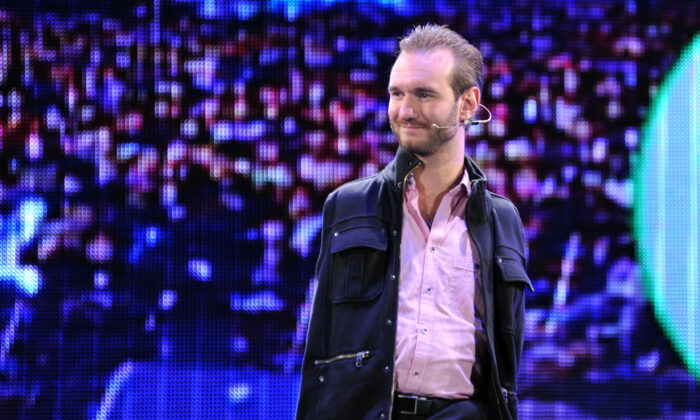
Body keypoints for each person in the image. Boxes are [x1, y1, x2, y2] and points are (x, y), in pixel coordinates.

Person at [297, 24, 532, 420]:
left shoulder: (502, 220)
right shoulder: (347, 205)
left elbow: (505, 362)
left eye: (424, 94)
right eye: (397, 93)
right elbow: (321, 349)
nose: (405, 111)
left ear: (468, 104)